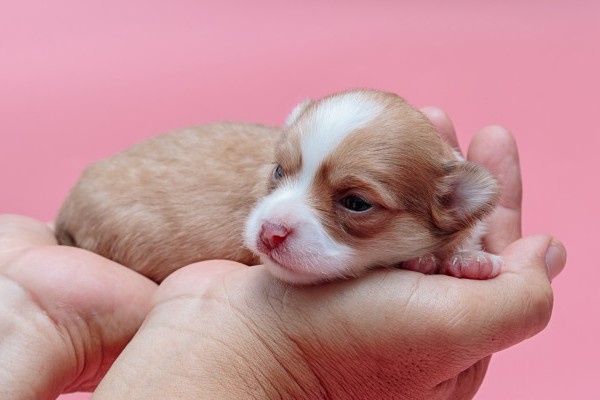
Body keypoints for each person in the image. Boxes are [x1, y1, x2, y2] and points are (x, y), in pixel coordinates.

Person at [0, 108, 565, 400]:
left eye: (352, 202)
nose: (274, 224)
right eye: (281, 172)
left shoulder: (451, 212)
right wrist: (281, 365)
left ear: (456, 204)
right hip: (109, 216)